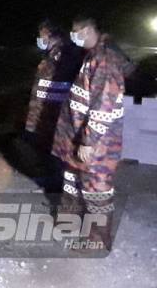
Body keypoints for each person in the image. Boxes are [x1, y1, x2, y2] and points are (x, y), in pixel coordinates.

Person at [52, 16, 129, 251]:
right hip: (76, 137)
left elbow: (105, 103)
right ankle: (70, 221)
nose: (73, 37)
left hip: (97, 143)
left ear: (86, 31)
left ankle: (97, 240)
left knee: (96, 189)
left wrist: (89, 140)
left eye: (75, 32)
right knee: (72, 181)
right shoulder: (92, 56)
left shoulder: (105, 59)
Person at [24, 19, 84, 193]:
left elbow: (70, 83)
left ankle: (61, 185)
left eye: (41, 34)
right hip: (42, 113)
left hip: (55, 114)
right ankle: (52, 180)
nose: (39, 38)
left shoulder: (66, 54)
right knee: (46, 149)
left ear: (51, 34)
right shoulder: (51, 54)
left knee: (57, 151)